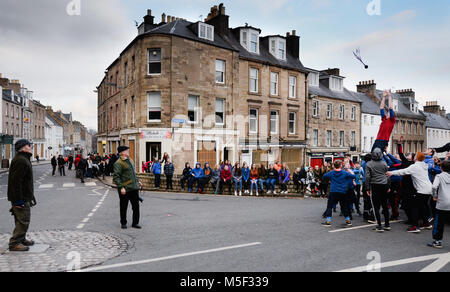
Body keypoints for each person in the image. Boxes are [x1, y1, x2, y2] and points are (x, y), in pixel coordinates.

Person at [387, 152, 433, 233]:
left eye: (415, 155)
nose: (414, 156)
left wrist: (391, 173)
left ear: (416, 158)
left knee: (415, 207)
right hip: (429, 188)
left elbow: (403, 171)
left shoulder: (415, 166)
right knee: (422, 206)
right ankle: (426, 223)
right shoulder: (424, 165)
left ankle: (415, 226)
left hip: (422, 189)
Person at [7, 139, 37, 252]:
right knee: (23, 220)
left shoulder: (23, 159)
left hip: (24, 196)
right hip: (21, 197)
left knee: (20, 219)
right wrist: (18, 200)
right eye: (29, 145)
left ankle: (21, 239)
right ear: (23, 147)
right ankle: (14, 243)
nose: (31, 147)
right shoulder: (21, 160)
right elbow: (16, 182)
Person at [113, 146, 143, 229]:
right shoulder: (118, 163)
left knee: (136, 206)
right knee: (123, 206)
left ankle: (135, 223)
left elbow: (133, 173)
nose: (128, 151)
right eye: (126, 150)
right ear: (122, 152)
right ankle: (123, 222)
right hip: (125, 189)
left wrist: (138, 181)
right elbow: (116, 177)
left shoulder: (130, 160)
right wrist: (121, 187)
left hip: (134, 188)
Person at [322, 160, 354, 227]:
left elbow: (324, 176)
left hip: (333, 191)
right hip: (342, 191)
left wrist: (329, 173)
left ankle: (328, 221)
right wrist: (350, 171)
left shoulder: (332, 172)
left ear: (334, 166)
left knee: (329, 206)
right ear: (341, 165)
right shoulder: (344, 173)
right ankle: (348, 220)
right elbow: (353, 176)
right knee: (344, 206)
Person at [365, 148, 390, 233]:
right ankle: (387, 224)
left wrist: (367, 188)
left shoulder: (369, 164)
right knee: (385, 205)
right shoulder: (384, 163)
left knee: (376, 206)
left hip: (375, 185)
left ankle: (379, 225)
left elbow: (367, 177)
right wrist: (388, 186)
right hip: (384, 185)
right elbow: (387, 175)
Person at [428, 161, 450, 249]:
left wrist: (435, 196)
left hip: (442, 202)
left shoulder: (439, 176)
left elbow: (434, 187)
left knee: (439, 223)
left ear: (441, 168)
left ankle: (437, 241)